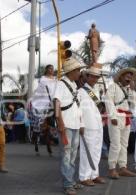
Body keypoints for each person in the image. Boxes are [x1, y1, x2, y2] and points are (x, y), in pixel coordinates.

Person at [53, 58, 85, 195]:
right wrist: (60, 122)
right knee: (66, 155)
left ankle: (70, 181)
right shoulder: (61, 84)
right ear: (72, 71)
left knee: (72, 156)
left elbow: (77, 106)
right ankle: (67, 184)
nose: (80, 73)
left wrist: (81, 123)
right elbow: (56, 103)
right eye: (78, 70)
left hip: (75, 124)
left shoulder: (73, 84)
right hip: (66, 125)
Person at [105, 67, 136, 179]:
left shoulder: (130, 90)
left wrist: (133, 91)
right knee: (115, 144)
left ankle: (123, 167)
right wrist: (112, 116)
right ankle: (112, 168)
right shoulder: (113, 87)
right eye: (127, 75)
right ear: (121, 77)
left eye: (130, 76)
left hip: (126, 118)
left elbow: (134, 105)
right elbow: (108, 101)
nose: (129, 77)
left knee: (124, 144)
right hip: (116, 117)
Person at [78, 64, 106, 186]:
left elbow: (97, 109)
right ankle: (84, 177)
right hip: (88, 126)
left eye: (96, 77)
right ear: (87, 76)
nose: (94, 79)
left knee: (96, 151)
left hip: (98, 125)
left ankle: (94, 175)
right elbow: (78, 110)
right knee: (86, 152)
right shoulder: (80, 91)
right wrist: (81, 124)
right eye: (92, 77)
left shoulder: (96, 91)